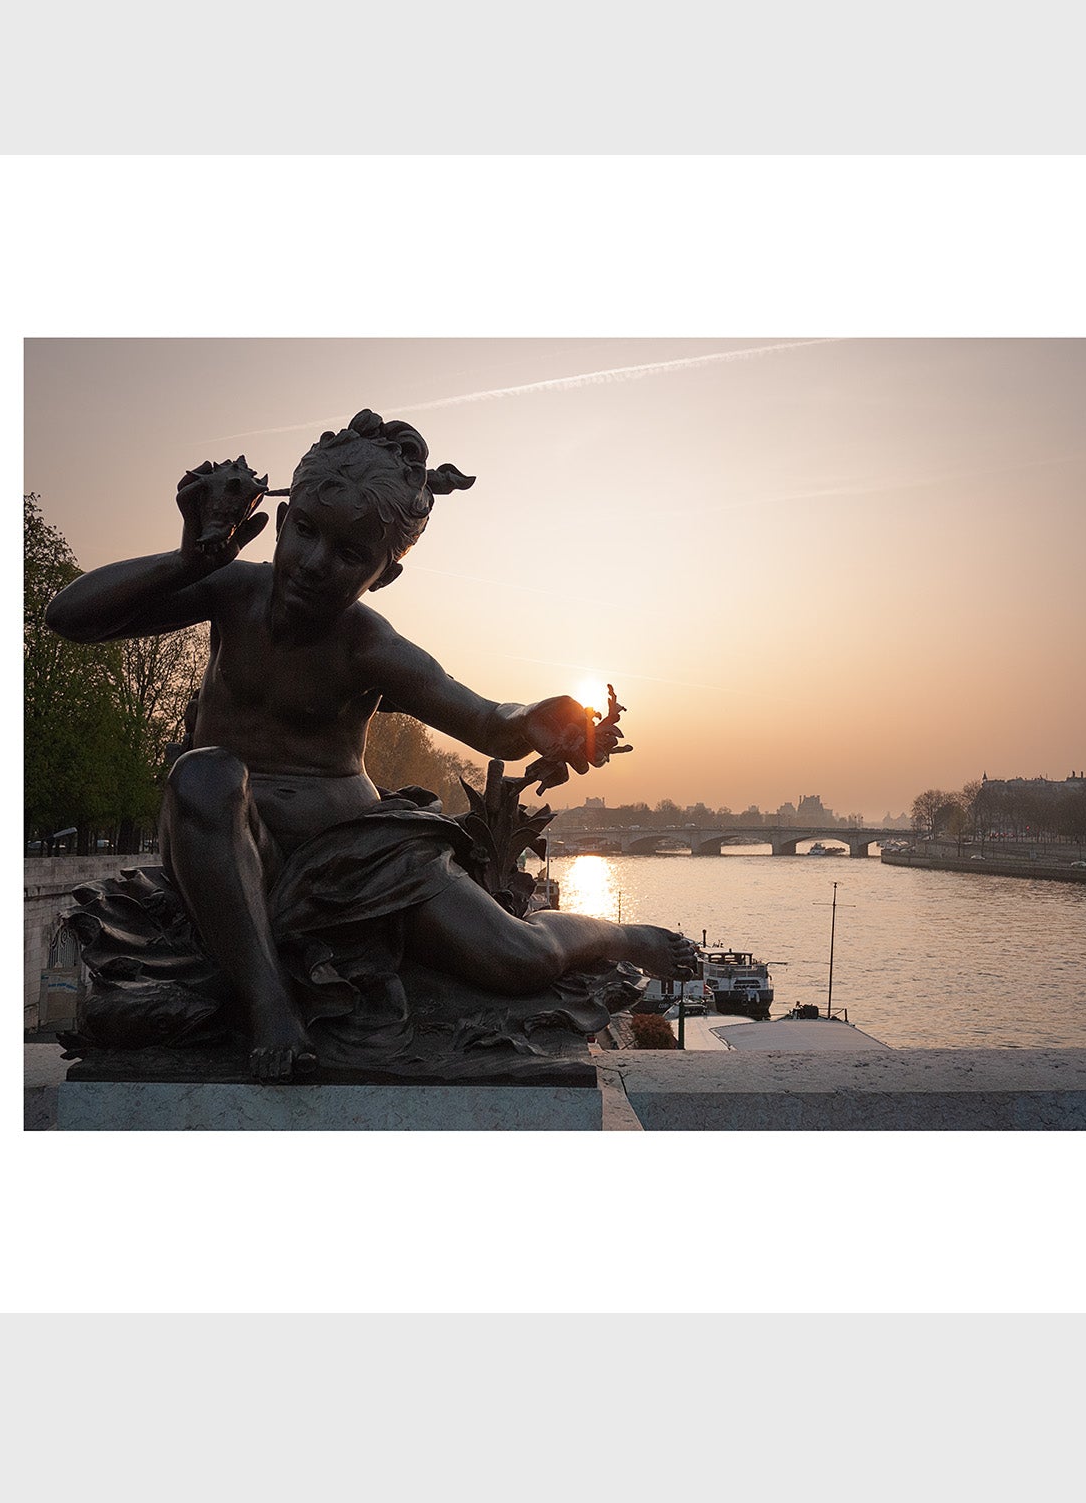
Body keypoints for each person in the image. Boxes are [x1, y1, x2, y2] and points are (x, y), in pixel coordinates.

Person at [45, 409, 699, 1079]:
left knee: (519, 958)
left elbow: (484, 720)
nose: (313, 564)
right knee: (203, 776)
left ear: (383, 574)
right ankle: (268, 1002)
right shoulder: (232, 590)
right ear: (283, 515)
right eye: (304, 532)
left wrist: (539, 716)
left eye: (350, 554)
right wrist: (187, 560)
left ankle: (619, 934)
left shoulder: (371, 647)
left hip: (359, 856)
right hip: (225, 837)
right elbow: (67, 617)